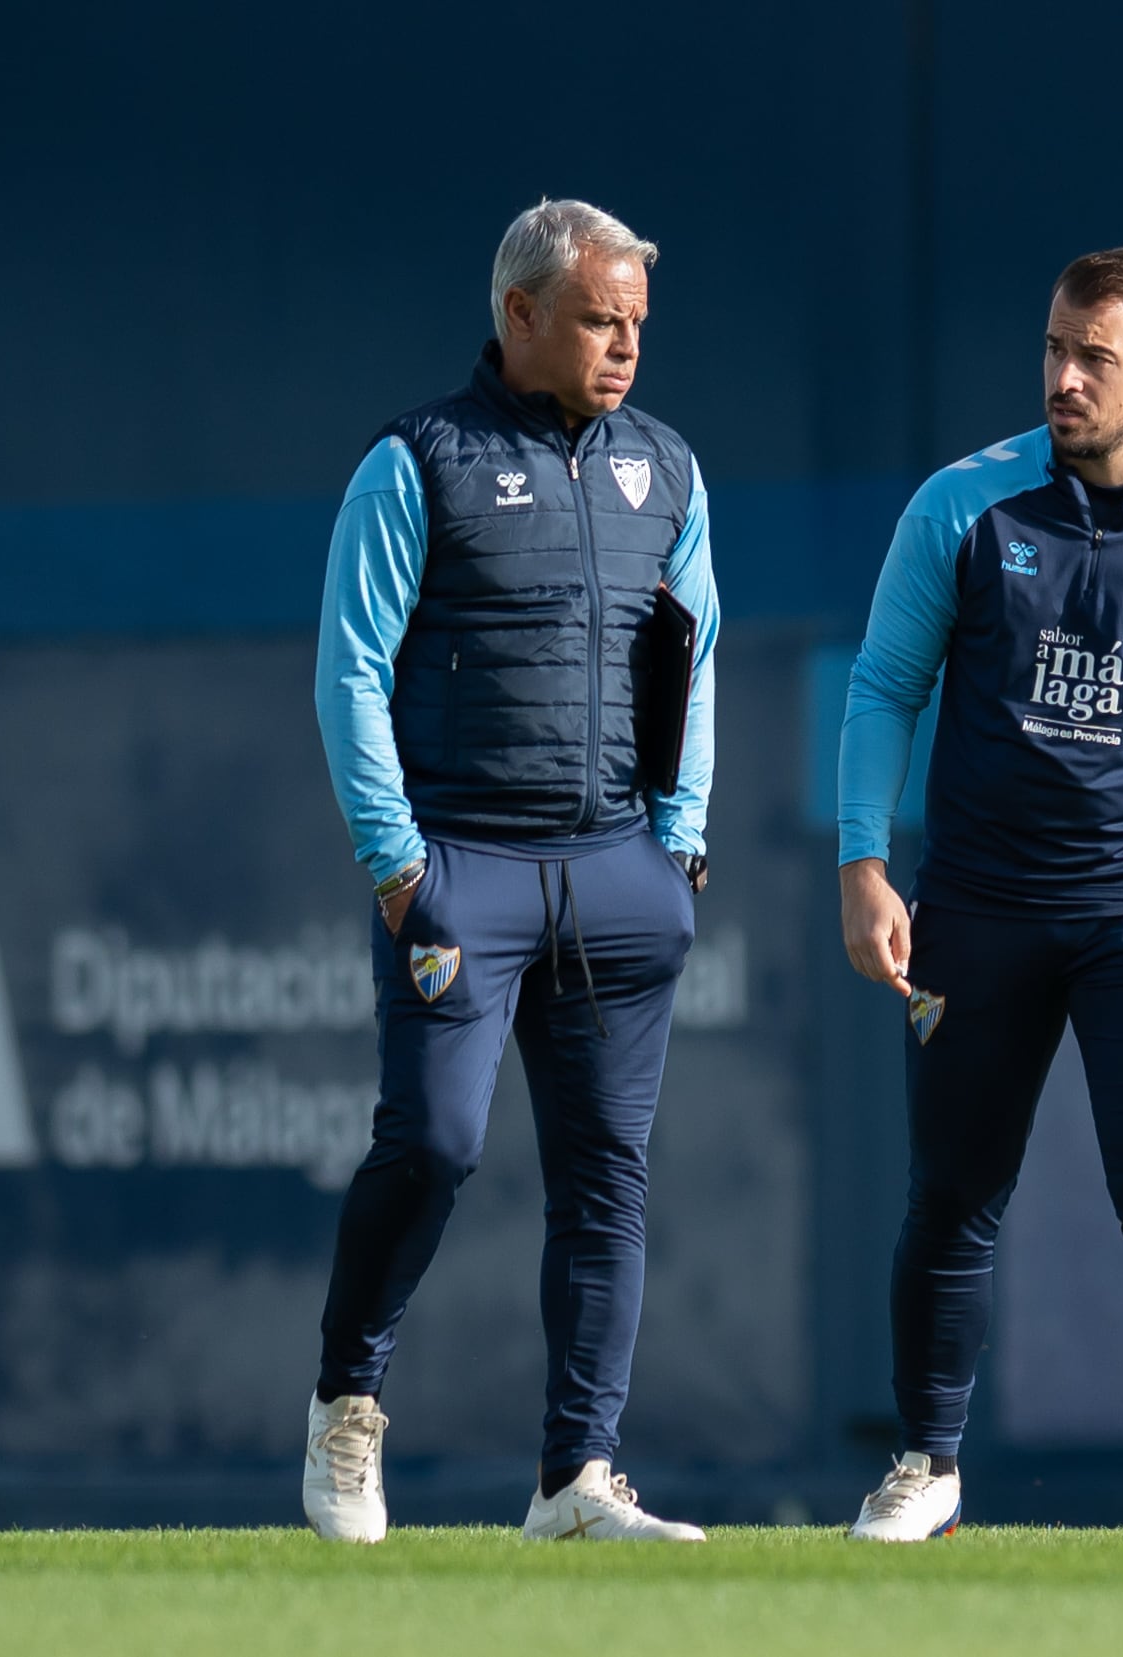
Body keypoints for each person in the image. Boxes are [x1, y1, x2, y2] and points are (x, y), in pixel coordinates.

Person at [835, 248, 1123, 1543]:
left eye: (1092, 357)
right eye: (1052, 346)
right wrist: (863, 861)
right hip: (973, 910)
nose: (1060, 376)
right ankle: (924, 1465)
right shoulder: (960, 507)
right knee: (950, 1191)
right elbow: (884, 685)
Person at [302, 198, 717, 1544]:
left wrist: (682, 838)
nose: (624, 347)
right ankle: (344, 1408)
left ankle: (577, 1479)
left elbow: (691, 656)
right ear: (519, 314)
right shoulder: (416, 459)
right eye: (601, 319)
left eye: (637, 323)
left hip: (614, 865)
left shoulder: (668, 467)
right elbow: (349, 670)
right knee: (433, 1142)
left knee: (608, 1176)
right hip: (462, 868)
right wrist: (393, 859)